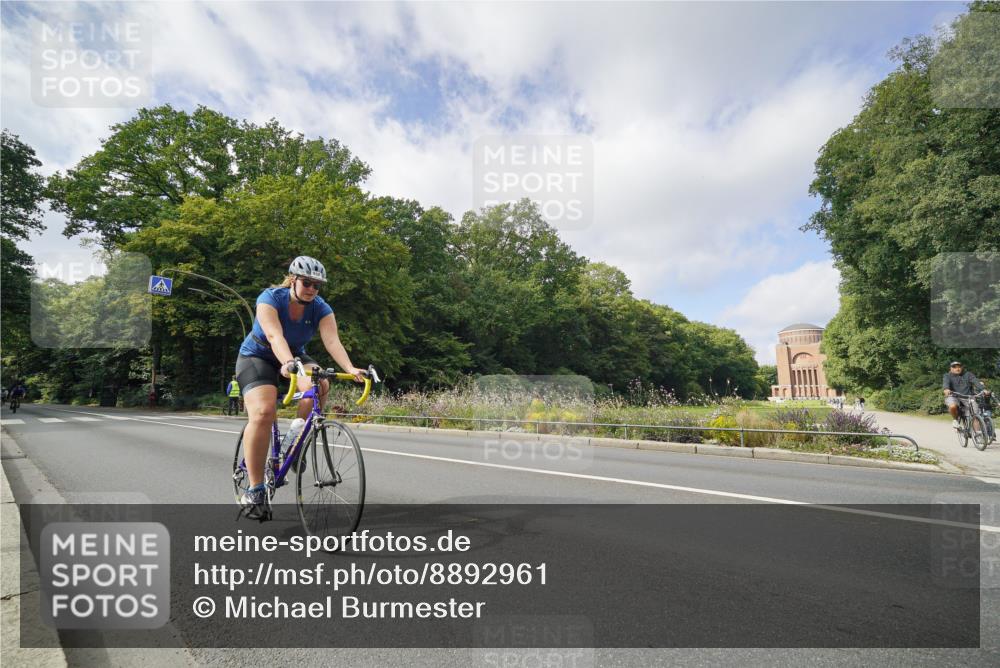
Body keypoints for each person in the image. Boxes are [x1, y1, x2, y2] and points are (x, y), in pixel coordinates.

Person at [235, 256, 366, 516]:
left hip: (295, 355)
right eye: (307, 283)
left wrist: (350, 368)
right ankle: (255, 488)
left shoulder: (320, 307)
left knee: (320, 382)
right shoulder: (270, 298)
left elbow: (332, 341)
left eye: (317, 286)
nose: (312, 289)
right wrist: (286, 362)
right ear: (293, 280)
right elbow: (274, 335)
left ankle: (296, 438)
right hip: (258, 356)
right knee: (263, 412)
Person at [943, 361, 990, 429]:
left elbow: (975, 381)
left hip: (968, 397)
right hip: (954, 396)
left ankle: (978, 434)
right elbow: (946, 383)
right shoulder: (947, 375)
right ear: (951, 369)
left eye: (959, 367)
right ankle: (955, 420)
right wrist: (946, 389)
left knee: (975, 415)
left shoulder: (968, 374)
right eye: (954, 367)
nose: (957, 369)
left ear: (962, 368)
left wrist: (983, 389)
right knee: (952, 406)